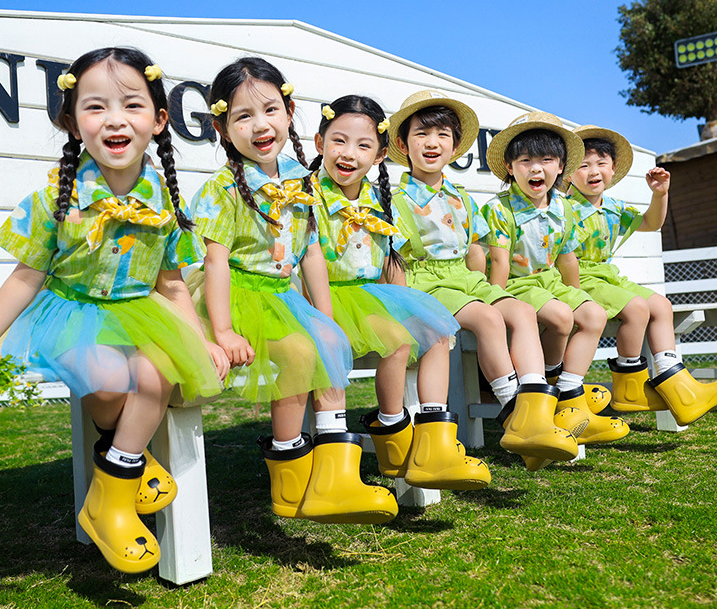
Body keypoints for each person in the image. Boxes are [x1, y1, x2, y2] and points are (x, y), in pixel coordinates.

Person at [0, 47, 229, 573]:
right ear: (72, 123)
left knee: (158, 369)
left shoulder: (165, 203)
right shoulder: (57, 195)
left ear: (160, 120)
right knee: (109, 378)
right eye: (96, 107)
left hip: (142, 312)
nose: (115, 119)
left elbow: (173, 285)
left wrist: (202, 339)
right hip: (73, 314)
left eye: (132, 106)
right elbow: (25, 276)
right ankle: (129, 460)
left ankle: (110, 497)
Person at [190, 58, 397, 524]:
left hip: (284, 294)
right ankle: (289, 478)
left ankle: (335, 476)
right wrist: (222, 329)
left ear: (289, 112)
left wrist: (326, 316)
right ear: (222, 128)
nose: (259, 125)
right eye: (243, 116)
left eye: (269, 110)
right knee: (300, 353)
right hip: (238, 294)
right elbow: (216, 261)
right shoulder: (224, 188)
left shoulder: (302, 180)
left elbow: (312, 253)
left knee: (325, 342)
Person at [388, 91, 580, 468]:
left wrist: (486, 291)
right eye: (422, 135)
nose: (432, 143)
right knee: (490, 319)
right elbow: (394, 260)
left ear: (456, 145)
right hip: (427, 284)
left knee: (522, 311)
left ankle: (535, 412)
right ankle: (514, 411)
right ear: (401, 143)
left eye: (443, 135)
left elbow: (476, 252)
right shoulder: (394, 199)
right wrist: (404, 304)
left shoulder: (463, 198)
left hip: (466, 282)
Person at [309, 95, 490, 490]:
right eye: (338, 141)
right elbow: (307, 260)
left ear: (378, 155)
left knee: (435, 333)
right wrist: (321, 315)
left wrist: (407, 305)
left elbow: (390, 256)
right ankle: (388, 430)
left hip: (370, 293)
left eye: (362, 145)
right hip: (322, 295)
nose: (349, 154)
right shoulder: (309, 195)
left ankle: (431, 439)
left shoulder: (380, 198)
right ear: (320, 142)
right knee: (381, 343)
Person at [483, 112, 629, 452]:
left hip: (552, 283)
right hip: (520, 285)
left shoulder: (563, 208)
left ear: (561, 165)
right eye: (526, 160)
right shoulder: (499, 209)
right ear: (509, 166)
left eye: (546, 160)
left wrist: (579, 296)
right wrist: (499, 301)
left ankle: (568, 391)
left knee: (592, 315)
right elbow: (500, 263)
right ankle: (554, 398)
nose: (537, 169)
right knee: (563, 318)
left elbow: (566, 259)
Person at [567, 124, 717, 422]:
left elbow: (651, 223)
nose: (593, 171)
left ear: (613, 169)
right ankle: (629, 384)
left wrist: (660, 194)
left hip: (607, 276)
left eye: (601, 163)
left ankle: (676, 384)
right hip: (580, 279)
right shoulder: (564, 208)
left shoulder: (613, 208)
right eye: (583, 164)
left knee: (661, 305)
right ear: (567, 172)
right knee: (638, 307)